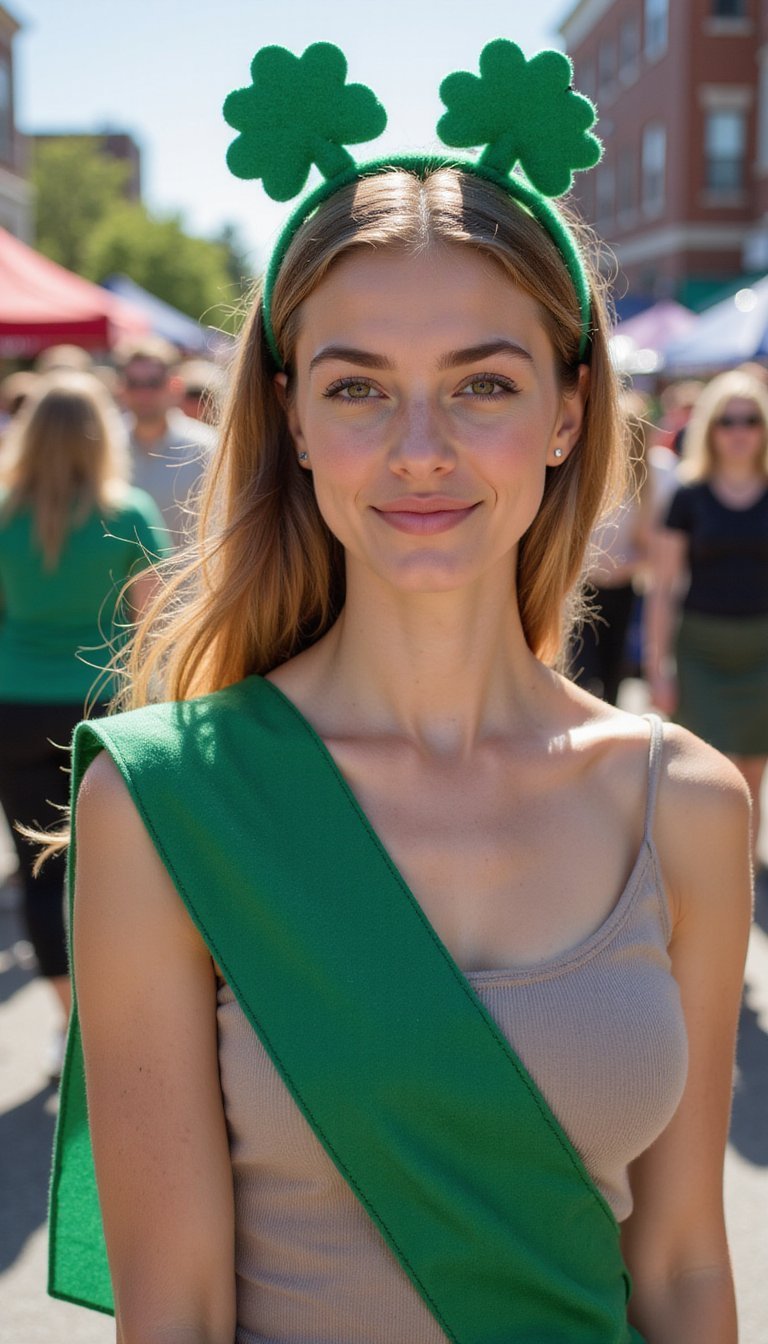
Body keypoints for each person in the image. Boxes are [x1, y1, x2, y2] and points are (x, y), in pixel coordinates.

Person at [48, 41, 751, 1344]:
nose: (420, 452)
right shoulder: (171, 805)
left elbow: (685, 1271)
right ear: (293, 419)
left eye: (483, 383)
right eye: (359, 387)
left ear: (566, 411)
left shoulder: (689, 805)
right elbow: (179, 1310)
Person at [0, 371, 167, 1068]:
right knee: (114, 871)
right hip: (100, 709)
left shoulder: (3, 514)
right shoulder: (126, 513)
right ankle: (115, 1021)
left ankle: (70, 1023)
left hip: (13, 708)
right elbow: (157, 618)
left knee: (39, 875)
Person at [646, 368, 768, 862]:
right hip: (700, 650)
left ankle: (740, 870)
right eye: (727, 421)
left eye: (751, 420)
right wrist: (657, 666)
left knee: (753, 772)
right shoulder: (687, 497)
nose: (739, 432)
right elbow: (663, 587)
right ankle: (704, 868)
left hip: (763, 650)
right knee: (707, 769)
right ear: (710, 428)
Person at [569, 402, 651, 703]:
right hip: (583, 588)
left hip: (624, 589)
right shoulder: (584, 472)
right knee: (581, 670)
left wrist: (627, 565)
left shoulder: (651, 481)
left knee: (615, 671)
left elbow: (656, 548)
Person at [115, 336, 217, 545]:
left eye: (154, 383)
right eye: (134, 384)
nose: (144, 393)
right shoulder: (104, 444)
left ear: (174, 385)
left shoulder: (205, 447)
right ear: (122, 388)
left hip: (187, 577)